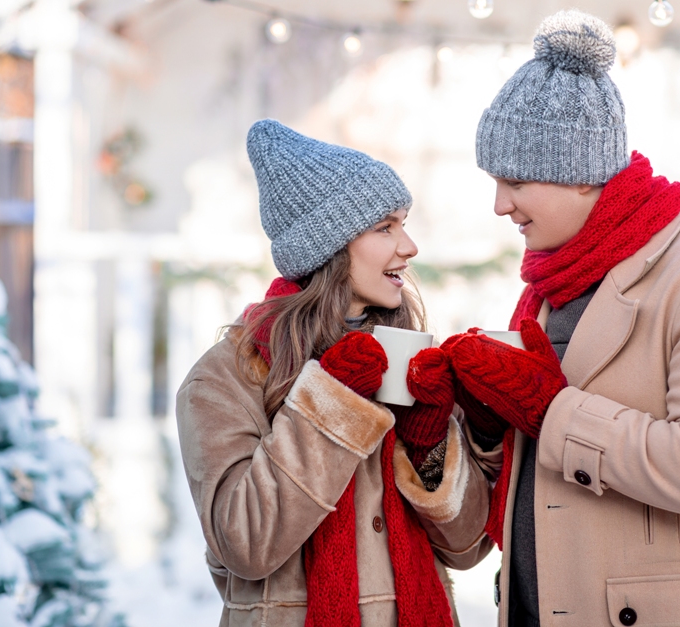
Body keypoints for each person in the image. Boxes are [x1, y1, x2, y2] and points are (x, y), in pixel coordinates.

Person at [442, 10, 680, 627]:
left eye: (514, 181)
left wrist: (549, 410)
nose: (499, 205)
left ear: (578, 174)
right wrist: (488, 427)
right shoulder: (547, 286)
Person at [176, 119, 492, 627]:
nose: (409, 246)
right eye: (384, 227)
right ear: (329, 244)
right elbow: (247, 543)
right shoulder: (225, 379)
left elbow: (467, 547)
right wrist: (332, 403)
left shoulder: (405, 359)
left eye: (403, 224)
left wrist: (431, 442)